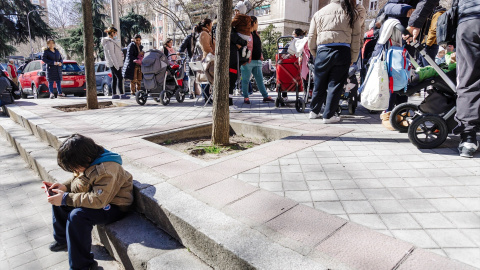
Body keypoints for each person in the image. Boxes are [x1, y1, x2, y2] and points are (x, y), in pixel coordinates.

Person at [43, 134, 133, 269]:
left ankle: (83, 266)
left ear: (87, 159)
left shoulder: (106, 170)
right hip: (98, 198)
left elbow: (98, 200)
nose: (75, 171)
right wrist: (64, 188)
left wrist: (65, 198)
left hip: (114, 205)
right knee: (59, 202)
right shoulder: (89, 160)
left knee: (77, 216)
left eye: (75, 168)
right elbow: (80, 179)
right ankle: (63, 240)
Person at [307, 0, 365, 123]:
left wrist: (314, 53)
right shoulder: (351, 12)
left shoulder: (319, 13)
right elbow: (356, 37)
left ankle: (314, 111)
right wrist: (353, 58)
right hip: (342, 51)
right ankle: (328, 115)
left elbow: (312, 36)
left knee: (319, 82)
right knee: (336, 84)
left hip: (322, 51)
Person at [241, 16, 274, 104]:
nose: (258, 25)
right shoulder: (246, 34)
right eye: (257, 23)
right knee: (245, 80)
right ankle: (246, 97)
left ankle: (265, 96)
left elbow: (258, 47)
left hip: (258, 61)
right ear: (254, 23)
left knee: (260, 80)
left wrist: (261, 56)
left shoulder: (256, 34)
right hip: (248, 61)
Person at [101, 26, 129, 99]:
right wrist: (116, 64)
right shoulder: (109, 42)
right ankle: (122, 94)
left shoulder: (111, 41)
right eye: (115, 33)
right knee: (120, 77)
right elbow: (111, 54)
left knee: (115, 78)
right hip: (114, 63)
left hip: (115, 62)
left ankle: (114, 94)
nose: (116, 34)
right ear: (112, 33)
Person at [196, 18, 216, 102]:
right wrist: (213, 54)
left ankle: (208, 97)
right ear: (207, 25)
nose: (212, 27)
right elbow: (206, 47)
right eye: (211, 25)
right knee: (210, 79)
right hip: (209, 60)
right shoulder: (204, 34)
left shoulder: (207, 33)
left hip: (210, 59)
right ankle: (207, 97)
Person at [179, 29, 198, 99]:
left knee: (196, 76)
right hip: (191, 59)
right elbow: (182, 47)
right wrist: (180, 53)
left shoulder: (200, 37)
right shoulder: (189, 38)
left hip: (198, 58)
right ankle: (191, 92)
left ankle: (197, 92)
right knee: (192, 76)